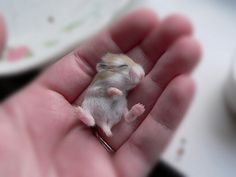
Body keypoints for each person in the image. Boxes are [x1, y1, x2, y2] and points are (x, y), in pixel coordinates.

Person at [0, 9, 201, 177]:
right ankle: (89, 117)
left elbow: (120, 92)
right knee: (94, 102)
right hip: (98, 101)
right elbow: (102, 91)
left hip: (114, 106)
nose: (134, 75)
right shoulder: (104, 79)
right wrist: (113, 91)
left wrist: (118, 96)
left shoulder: (120, 85)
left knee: (121, 106)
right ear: (108, 69)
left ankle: (121, 118)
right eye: (126, 69)